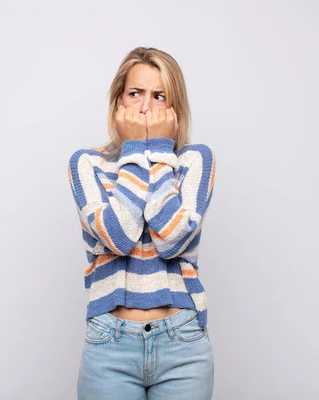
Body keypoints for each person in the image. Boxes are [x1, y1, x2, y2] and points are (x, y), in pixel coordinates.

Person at [67, 46, 216, 399]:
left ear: (175, 107)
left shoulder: (195, 160)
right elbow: (119, 235)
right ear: (119, 101)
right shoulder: (87, 164)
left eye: (159, 96)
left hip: (183, 345)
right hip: (109, 344)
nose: (146, 107)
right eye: (135, 93)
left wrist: (161, 152)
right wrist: (135, 152)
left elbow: (171, 239)